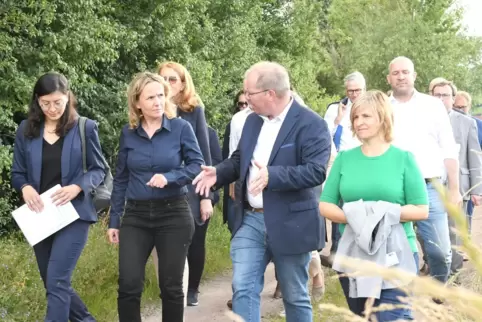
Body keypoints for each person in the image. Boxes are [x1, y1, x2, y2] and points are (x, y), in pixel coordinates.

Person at [193, 61, 331, 322]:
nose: (245, 98)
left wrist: (273, 174)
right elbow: (239, 160)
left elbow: (316, 171)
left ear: (270, 93)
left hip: (291, 221)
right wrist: (218, 173)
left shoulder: (311, 124)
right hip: (252, 220)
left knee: (294, 294)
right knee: (243, 287)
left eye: (249, 93)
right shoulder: (252, 122)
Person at [319, 90, 428, 321]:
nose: (359, 122)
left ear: (383, 118)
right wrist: (357, 217)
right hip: (354, 255)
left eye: (366, 116)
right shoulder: (344, 159)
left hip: (396, 255)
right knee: (364, 317)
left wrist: (382, 213)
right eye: (355, 118)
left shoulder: (404, 159)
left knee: (392, 317)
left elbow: (421, 208)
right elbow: (326, 204)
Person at [107, 72, 204, 322]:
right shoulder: (128, 133)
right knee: (128, 284)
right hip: (136, 216)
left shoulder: (181, 128)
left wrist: (169, 177)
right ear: (137, 102)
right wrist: (114, 220)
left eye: (161, 95)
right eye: (150, 97)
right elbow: (121, 178)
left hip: (173, 214)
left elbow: (196, 165)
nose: (157, 102)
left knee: (171, 287)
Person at [11, 72, 106, 322]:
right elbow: (17, 173)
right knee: (53, 283)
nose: (52, 109)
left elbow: (99, 169)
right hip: (41, 216)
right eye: (45, 103)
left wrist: (78, 186)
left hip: (74, 213)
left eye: (57, 102)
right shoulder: (26, 130)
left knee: (57, 280)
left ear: (67, 98)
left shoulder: (85, 127)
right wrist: (25, 188)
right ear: (37, 101)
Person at [388, 57, 460, 289]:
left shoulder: (432, 105)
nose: (401, 76)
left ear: (414, 75)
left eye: (405, 72)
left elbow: (449, 148)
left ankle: (439, 288)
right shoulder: (381, 106)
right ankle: (398, 297)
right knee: (393, 249)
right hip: (392, 187)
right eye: (396, 72)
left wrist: (455, 190)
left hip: (430, 187)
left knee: (441, 252)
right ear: (389, 77)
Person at [157, 61, 214, 306]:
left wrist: (205, 196)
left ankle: (190, 290)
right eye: (163, 78)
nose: (167, 84)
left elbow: (204, 154)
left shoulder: (193, 111)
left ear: (182, 84)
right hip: (160, 188)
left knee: (193, 241)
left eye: (172, 79)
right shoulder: (150, 108)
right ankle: (170, 290)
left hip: (191, 188)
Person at [430, 78, 482, 275]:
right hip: (430, 183)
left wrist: (477, 189)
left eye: (445, 95)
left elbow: (474, 156)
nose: (441, 99)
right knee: (428, 231)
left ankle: (454, 274)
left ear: (453, 98)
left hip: (460, 185)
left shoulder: (467, 122)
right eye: (437, 95)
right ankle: (436, 268)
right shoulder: (423, 120)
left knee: (457, 233)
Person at [321, 71, 365, 266]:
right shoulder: (334, 109)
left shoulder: (375, 106)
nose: (354, 94)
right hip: (340, 162)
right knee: (338, 207)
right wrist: (338, 120)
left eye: (357, 90)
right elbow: (324, 138)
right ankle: (337, 252)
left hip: (365, 161)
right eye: (350, 90)